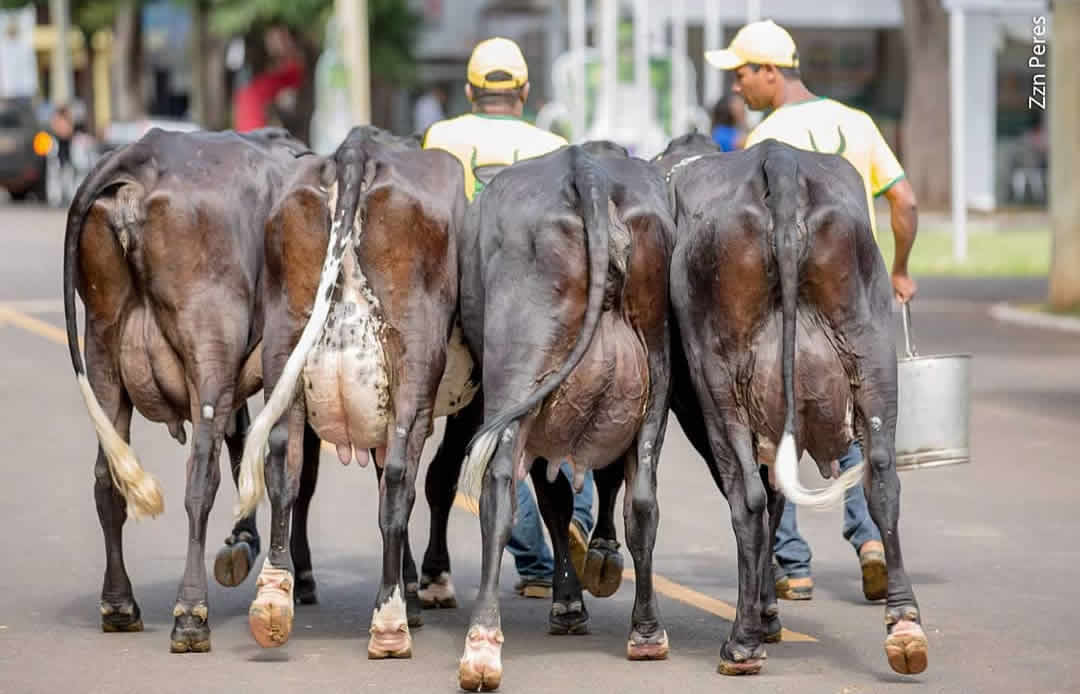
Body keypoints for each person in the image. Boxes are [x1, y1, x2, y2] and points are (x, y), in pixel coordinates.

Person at [705, 19, 919, 603]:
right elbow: (904, 200)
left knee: (779, 426)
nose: (737, 87)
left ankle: (792, 567)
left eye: (742, 73)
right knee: (854, 420)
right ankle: (871, 538)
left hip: (789, 302)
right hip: (854, 301)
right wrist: (899, 268)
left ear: (770, 73)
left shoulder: (765, 142)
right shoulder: (857, 123)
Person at [422, 37, 595, 599]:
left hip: (464, 309)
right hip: (540, 311)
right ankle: (571, 539)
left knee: (470, 438)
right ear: (523, 92)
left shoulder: (441, 137)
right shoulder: (552, 143)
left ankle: (460, 561)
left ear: (471, 91)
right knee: (552, 439)